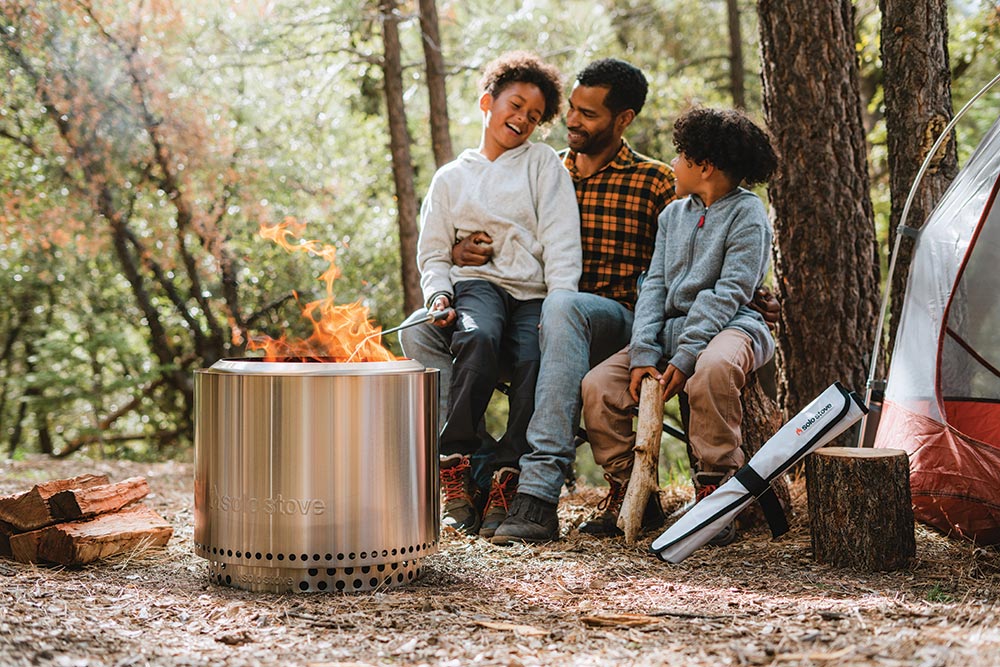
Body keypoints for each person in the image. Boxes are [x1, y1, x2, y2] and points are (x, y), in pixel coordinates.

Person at [577, 107, 779, 547]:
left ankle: (717, 492)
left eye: (681, 155)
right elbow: (654, 288)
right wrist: (644, 355)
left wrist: (686, 357)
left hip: (733, 326)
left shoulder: (747, 214)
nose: (673, 163)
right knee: (597, 386)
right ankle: (634, 490)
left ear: (704, 166)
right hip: (668, 331)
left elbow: (728, 293)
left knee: (712, 370)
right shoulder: (672, 215)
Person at [415, 51, 582, 537]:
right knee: (478, 336)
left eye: (534, 116)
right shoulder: (451, 177)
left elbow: (561, 238)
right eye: (515, 105)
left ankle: (509, 474)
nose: (523, 119)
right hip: (478, 287)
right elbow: (433, 254)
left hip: (533, 294)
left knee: (535, 357)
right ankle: (459, 464)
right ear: (487, 102)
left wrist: (560, 304)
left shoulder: (543, 165)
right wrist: (438, 297)